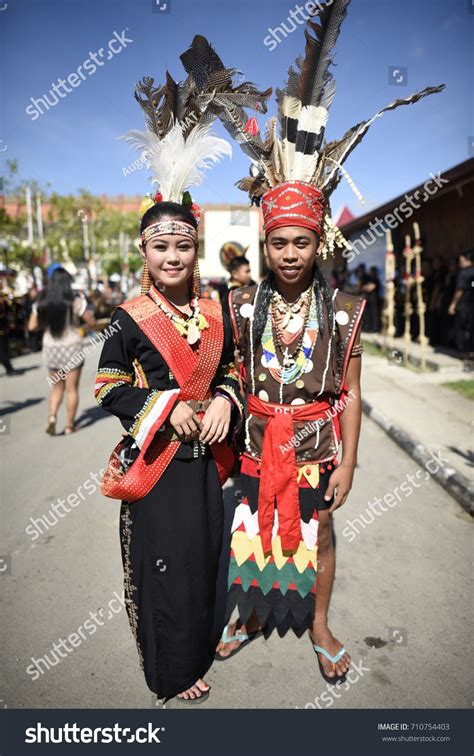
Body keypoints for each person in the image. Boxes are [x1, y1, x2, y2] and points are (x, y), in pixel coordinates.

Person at [212, 0, 443, 683]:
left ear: (321, 241)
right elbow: (219, 369)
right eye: (278, 241)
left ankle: (318, 623)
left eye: (302, 241)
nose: (289, 253)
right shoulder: (240, 301)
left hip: (316, 445)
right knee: (248, 528)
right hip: (258, 440)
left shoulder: (345, 308)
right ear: (265, 241)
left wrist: (349, 466)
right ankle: (248, 614)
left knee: (321, 534)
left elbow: (352, 394)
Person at [96, 56, 245, 704]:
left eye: (183, 245)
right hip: (156, 463)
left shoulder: (216, 312)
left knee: (200, 566)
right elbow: (104, 385)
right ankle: (169, 673)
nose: (173, 256)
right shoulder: (128, 319)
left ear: (196, 249)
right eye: (161, 246)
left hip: (204, 465)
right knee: (164, 575)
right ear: (145, 253)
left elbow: (235, 369)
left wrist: (226, 401)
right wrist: (164, 407)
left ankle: (194, 653)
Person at [28, 267, 95, 434]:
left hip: (51, 348)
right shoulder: (75, 300)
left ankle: (52, 416)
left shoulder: (42, 302)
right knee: (72, 389)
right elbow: (91, 322)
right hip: (72, 347)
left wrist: (46, 322)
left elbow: (31, 326)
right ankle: (69, 426)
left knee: (57, 387)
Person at [449, 250, 474, 366]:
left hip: (464, 305)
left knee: (462, 330)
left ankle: (464, 352)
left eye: (461, 260)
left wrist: (453, 304)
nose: (460, 262)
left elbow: (460, 290)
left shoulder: (463, 274)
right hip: (471, 305)